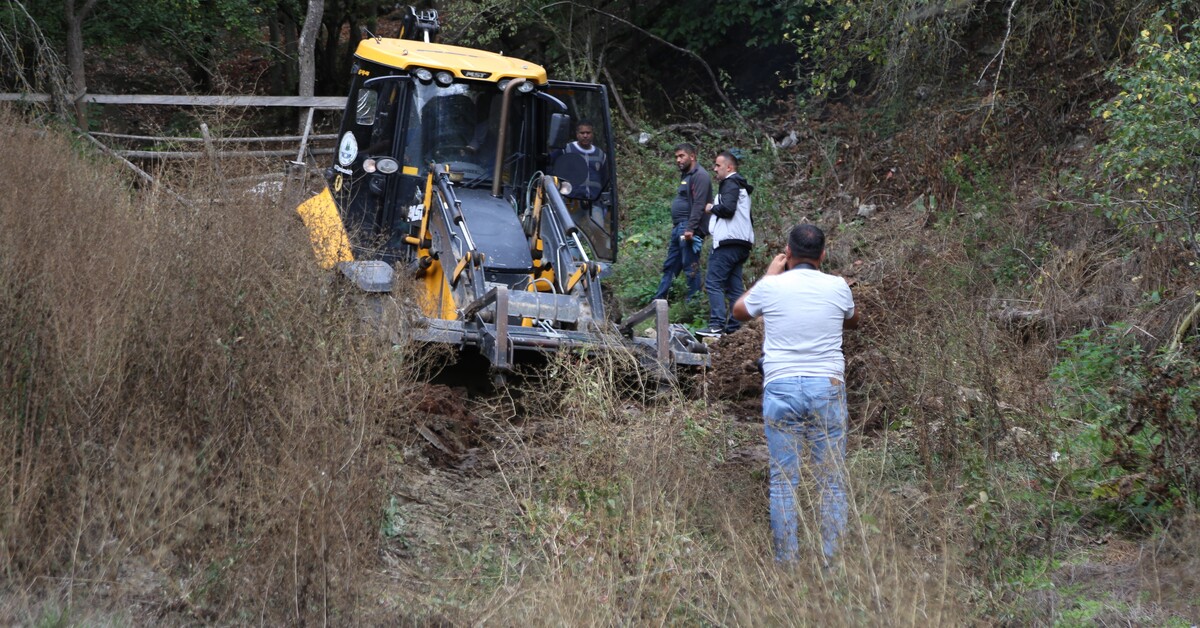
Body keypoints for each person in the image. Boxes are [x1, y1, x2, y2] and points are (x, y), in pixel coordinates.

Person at [732, 223, 861, 564]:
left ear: (787, 253)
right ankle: (831, 564)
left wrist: (769, 274)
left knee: (783, 482)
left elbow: (739, 311)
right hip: (827, 387)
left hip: (782, 386)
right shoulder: (838, 286)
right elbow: (852, 319)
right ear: (823, 253)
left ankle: (787, 565)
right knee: (831, 481)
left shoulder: (773, 287)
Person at [696, 150, 754, 338]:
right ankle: (735, 327)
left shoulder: (730, 183)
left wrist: (711, 207)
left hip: (729, 242)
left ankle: (716, 325)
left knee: (713, 282)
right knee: (734, 286)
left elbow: (728, 210)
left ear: (729, 167)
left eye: (718, 165)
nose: (715, 169)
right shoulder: (739, 185)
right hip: (742, 243)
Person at [651, 142, 711, 303]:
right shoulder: (687, 175)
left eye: (681, 156)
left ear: (692, 156)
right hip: (679, 227)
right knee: (671, 265)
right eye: (676, 157)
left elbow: (699, 203)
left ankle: (693, 304)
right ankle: (659, 300)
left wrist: (691, 228)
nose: (678, 160)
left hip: (688, 228)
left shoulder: (700, 175)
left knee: (690, 265)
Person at [550, 121, 608, 201]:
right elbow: (550, 166)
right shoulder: (566, 150)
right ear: (577, 134)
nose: (585, 136)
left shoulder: (600, 155)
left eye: (588, 133)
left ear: (592, 134)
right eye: (582, 133)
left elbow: (604, 178)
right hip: (571, 202)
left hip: (594, 202)